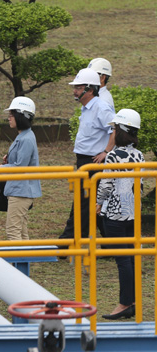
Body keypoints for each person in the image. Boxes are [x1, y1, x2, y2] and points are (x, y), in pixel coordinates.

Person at [58, 68, 116, 239]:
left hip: (93, 162)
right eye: (74, 87)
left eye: (78, 87)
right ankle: (111, 243)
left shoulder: (100, 107)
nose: (74, 91)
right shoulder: (87, 108)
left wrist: (106, 151)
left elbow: (115, 129)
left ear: (90, 89)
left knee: (83, 202)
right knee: (90, 203)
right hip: (85, 160)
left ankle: (67, 242)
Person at [98, 109, 144, 320]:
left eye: (114, 128)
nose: (112, 132)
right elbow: (140, 187)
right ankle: (133, 302)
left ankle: (125, 303)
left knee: (123, 261)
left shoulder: (114, 156)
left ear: (121, 131)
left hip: (115, 213)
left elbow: (106, 184)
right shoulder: (139, 155)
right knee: (131, 259)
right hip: (132, 213)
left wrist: (98, 203)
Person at [0, 97, 41, 241]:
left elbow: (20, 167)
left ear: (21, 116)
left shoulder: (26, 138)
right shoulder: (24, 136)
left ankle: (17, 262)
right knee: (21, 232)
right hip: (20, 189)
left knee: (13, 231)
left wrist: (3, 168)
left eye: (11, 115)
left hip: (21, 191)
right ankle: (23, 263)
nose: (9, 118)